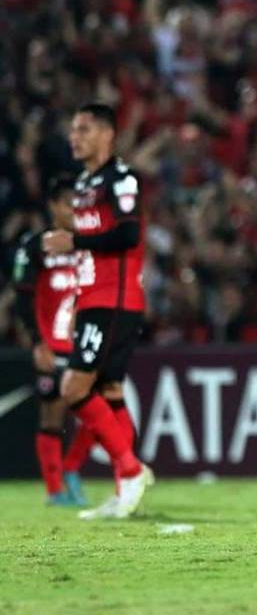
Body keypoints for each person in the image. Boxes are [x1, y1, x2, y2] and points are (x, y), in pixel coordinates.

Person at [42, 103, 154, 520]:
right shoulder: (87, 182)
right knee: (109, 393)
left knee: (73, 389)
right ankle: (126, 490)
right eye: (73, 129)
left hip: (114, 301)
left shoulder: (120, 179)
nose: (75, 137)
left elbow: (127, 234)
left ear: (108, 134)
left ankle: (130, 468)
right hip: (96, 299)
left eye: (85, 129)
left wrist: (73, 242)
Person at [11, 176, 89, 506]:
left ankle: (70, 469)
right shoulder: (35, 246)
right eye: (70, 203)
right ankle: (55, 490)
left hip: (87, 343)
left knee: (101, 413)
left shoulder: (92, 243)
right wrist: (36, 343)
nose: (76, 210)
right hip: (53, 345)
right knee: (52, 415)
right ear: (54, 206)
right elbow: (22, 298)